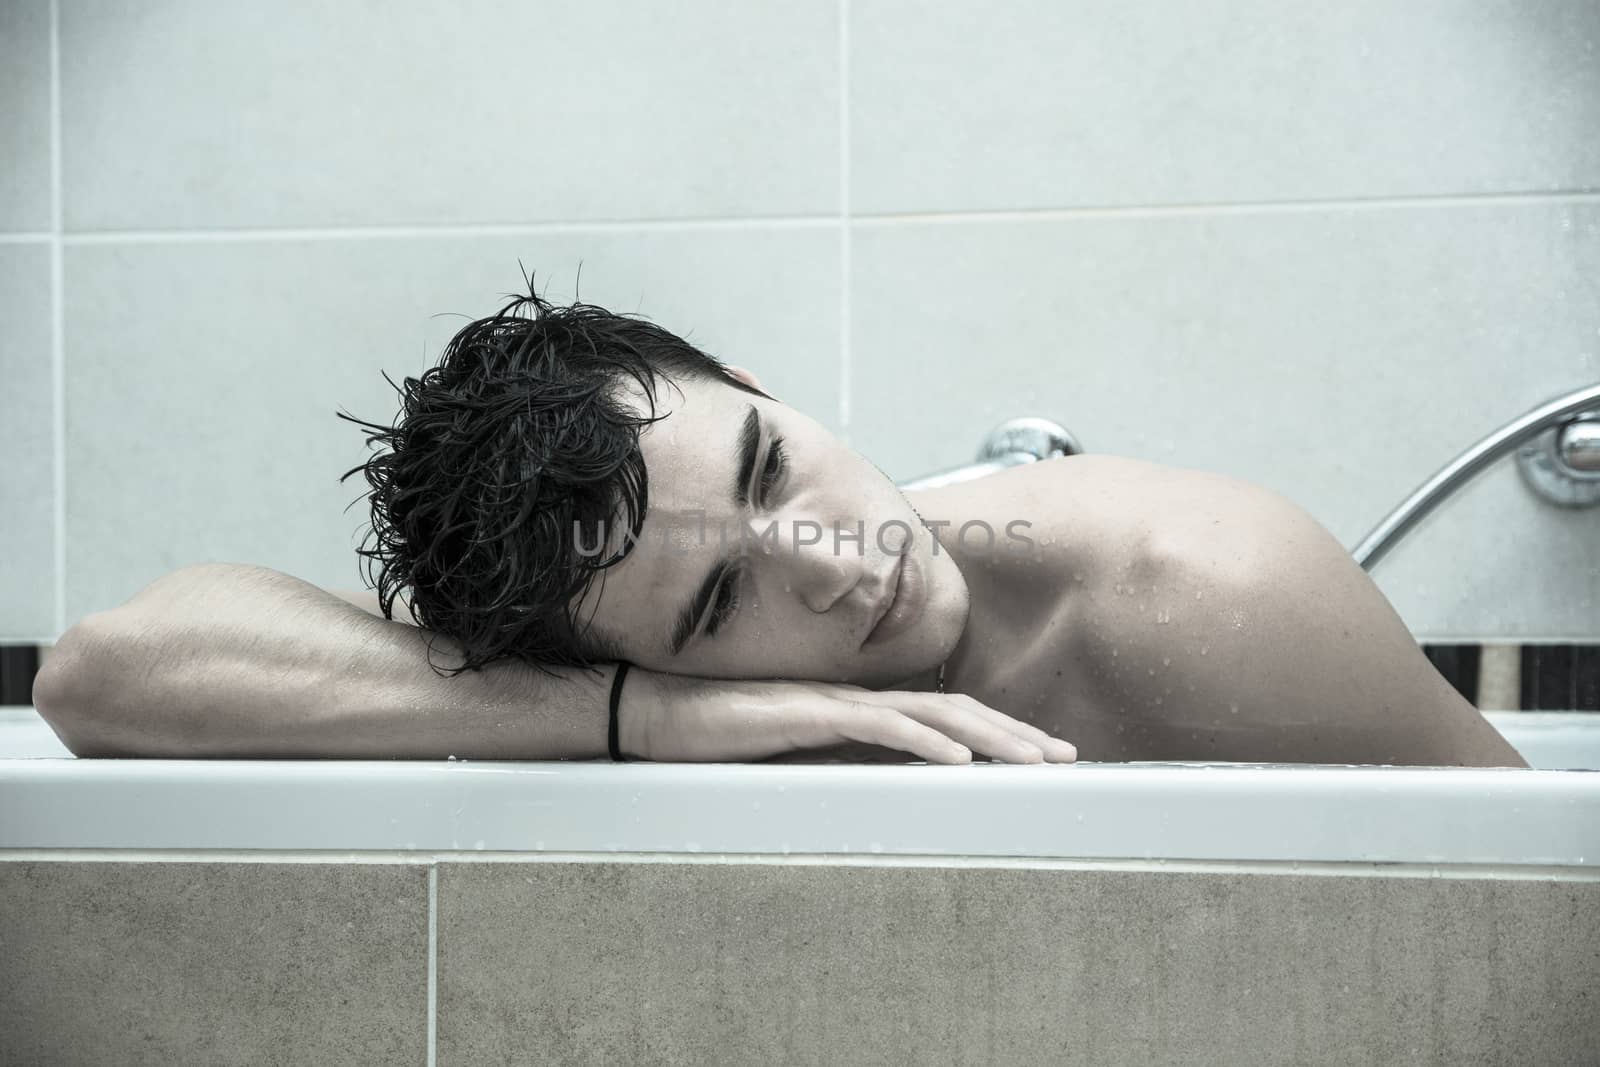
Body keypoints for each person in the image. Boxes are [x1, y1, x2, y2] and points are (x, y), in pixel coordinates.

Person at [32, 281, 1527, 768]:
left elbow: (1541, 908)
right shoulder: (616, 655)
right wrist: (637, 719)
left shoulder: (1194, 598)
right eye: (712, 608)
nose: (835, 561)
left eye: (765, 467)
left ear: (757, 386)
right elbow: (97, 675)